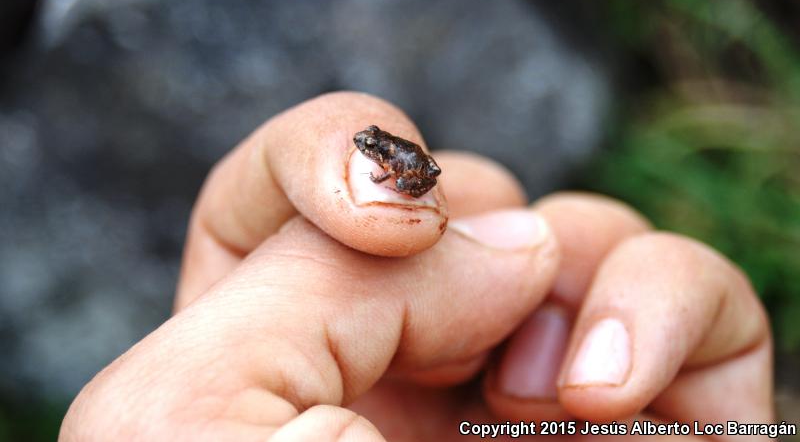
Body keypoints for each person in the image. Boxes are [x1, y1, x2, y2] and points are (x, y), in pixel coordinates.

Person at [59, 92, 774, 441]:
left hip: (423, 191)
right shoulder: (372, 151)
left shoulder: (394, 163)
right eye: (369, 147)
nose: (369, 148)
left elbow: (415, 166)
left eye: (371, 146)